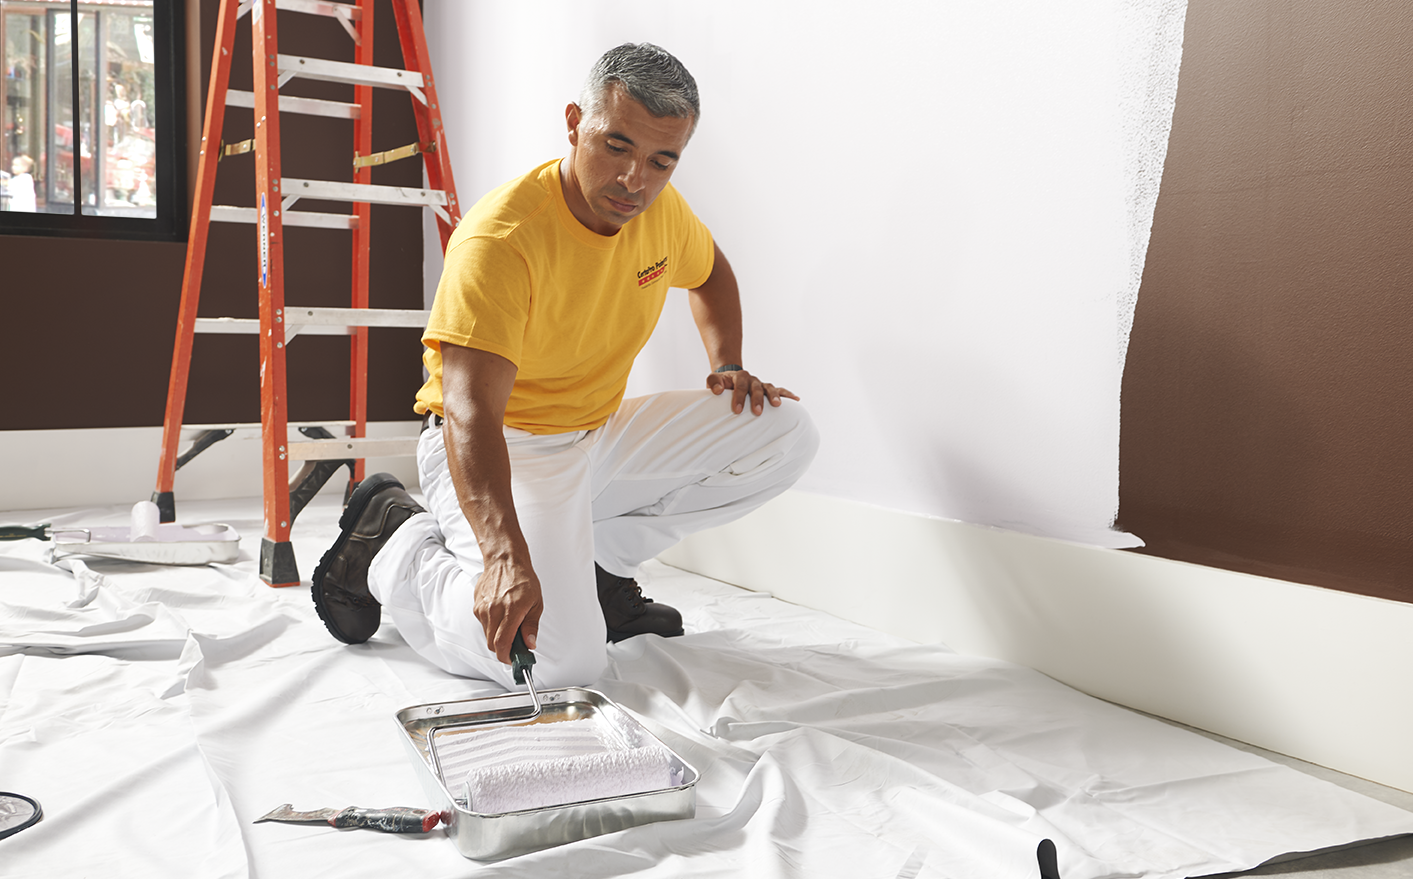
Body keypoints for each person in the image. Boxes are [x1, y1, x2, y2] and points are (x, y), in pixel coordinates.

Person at [311, 43, 819, 689]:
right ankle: (398, 547)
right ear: (575, 121)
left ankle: (594, 575)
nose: (634, 179)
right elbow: (471, 413)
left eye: (661, 160)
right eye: (616, 146)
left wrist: (728, 363)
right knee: (560, 666)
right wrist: (503, 556)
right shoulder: (501, 240)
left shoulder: (659, 211)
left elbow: (710, 272)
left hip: (594, 433)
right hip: (500, 446)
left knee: (782, 432)